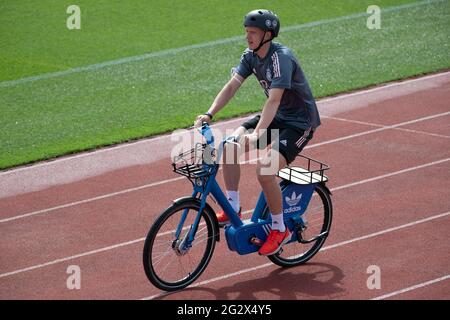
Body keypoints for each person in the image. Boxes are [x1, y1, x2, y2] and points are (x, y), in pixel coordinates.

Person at [195, 9, 321, 256]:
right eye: (246, 32)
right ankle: (233, 207)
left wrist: (257, 134)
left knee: (265, 169)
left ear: (268, 34)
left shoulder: (280, 58)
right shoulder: (251, 56)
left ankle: (279, 228)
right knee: (230, 146)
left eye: (252, 32)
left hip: (299, 124)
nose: (247, 37)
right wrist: (209, 114)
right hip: (277, 117)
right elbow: (232, 85)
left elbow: (273, 101)